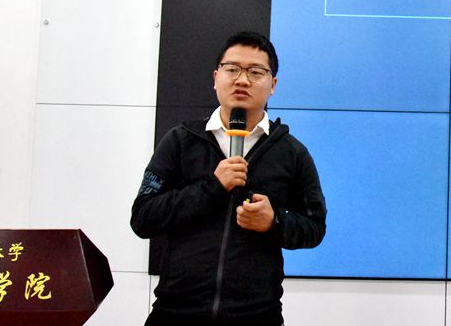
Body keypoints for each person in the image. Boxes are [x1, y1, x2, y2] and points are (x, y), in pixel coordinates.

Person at [131, 31, 327, 326]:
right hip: (175, 313)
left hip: (256, 316)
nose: (242, 80)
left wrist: (274, 222)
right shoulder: (181, 141)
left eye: (255, 72)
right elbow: (143, 218)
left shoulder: (292, 153)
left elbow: (315, 228)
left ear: (273, 85)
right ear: (216, 77)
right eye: (232, 69)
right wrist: (212, 188)